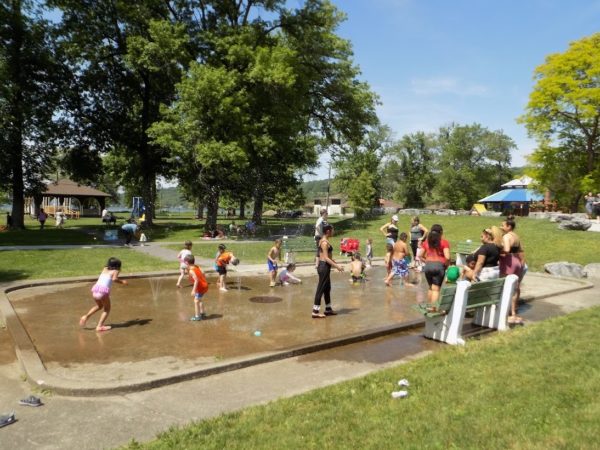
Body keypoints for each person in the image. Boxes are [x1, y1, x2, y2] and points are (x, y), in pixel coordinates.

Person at [79, 257, 127, 332]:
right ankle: (99, 326)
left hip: (95, 289)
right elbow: (114, 279)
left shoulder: (105, 268)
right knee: (107, 309)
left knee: (99, 306)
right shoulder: (116, 270)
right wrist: (122, 282)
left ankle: (86, 316)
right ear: (118, 266)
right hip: (103, 291)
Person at [312, 224, 344, 318]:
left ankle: (328, 309)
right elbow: (325, 258)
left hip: (325, 266)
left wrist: (334, 262)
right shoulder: (324, 243)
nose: (334, 231)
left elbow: (325, 256)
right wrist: (336, 266)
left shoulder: (325, 241)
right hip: (324, 267)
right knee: (320, 289)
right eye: (332, 230)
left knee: (327, 288)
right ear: (328, 231)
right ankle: (315, 311)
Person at [499, 217, 525, 324]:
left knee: (504, 285)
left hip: (509, 262)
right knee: (515, 287)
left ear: (509, 227)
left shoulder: (506, 236)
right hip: (517, 261)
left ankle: (504, 312)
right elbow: (521, 250)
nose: (501, 227)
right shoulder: (516, 236)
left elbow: (507, 250)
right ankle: (513, 312)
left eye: (503, 225)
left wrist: (498, 251)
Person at [421, 223, 450, 309]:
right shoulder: (444, 242)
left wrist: (426, 261)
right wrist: (446, 265)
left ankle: (429, 306)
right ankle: (433, 308)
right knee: (436, 289)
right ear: (441, 232)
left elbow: (420, 255)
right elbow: (447, 257)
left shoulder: (426, 242)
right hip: (438, 266)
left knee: (431, 288)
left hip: (428, 266)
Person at [185, 255, 209, 321]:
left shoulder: (191, 271)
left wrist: (193, 290)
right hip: (204, 285)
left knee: (196, 301)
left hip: (200, 287)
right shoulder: (196, 266)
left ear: (187, 262)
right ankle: (202, 313)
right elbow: (203, 273)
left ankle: (197, 316)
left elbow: (196, 280)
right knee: (199, 300)